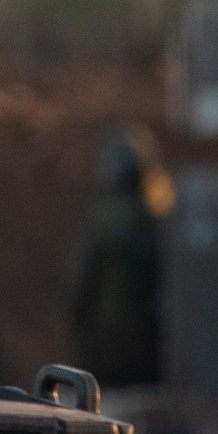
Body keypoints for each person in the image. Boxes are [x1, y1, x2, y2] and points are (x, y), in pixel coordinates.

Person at [67, 124, 170, 388]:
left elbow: (80, 288)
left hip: (108, 348)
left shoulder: (104, 220)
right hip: (152, 347)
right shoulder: (161, 218)